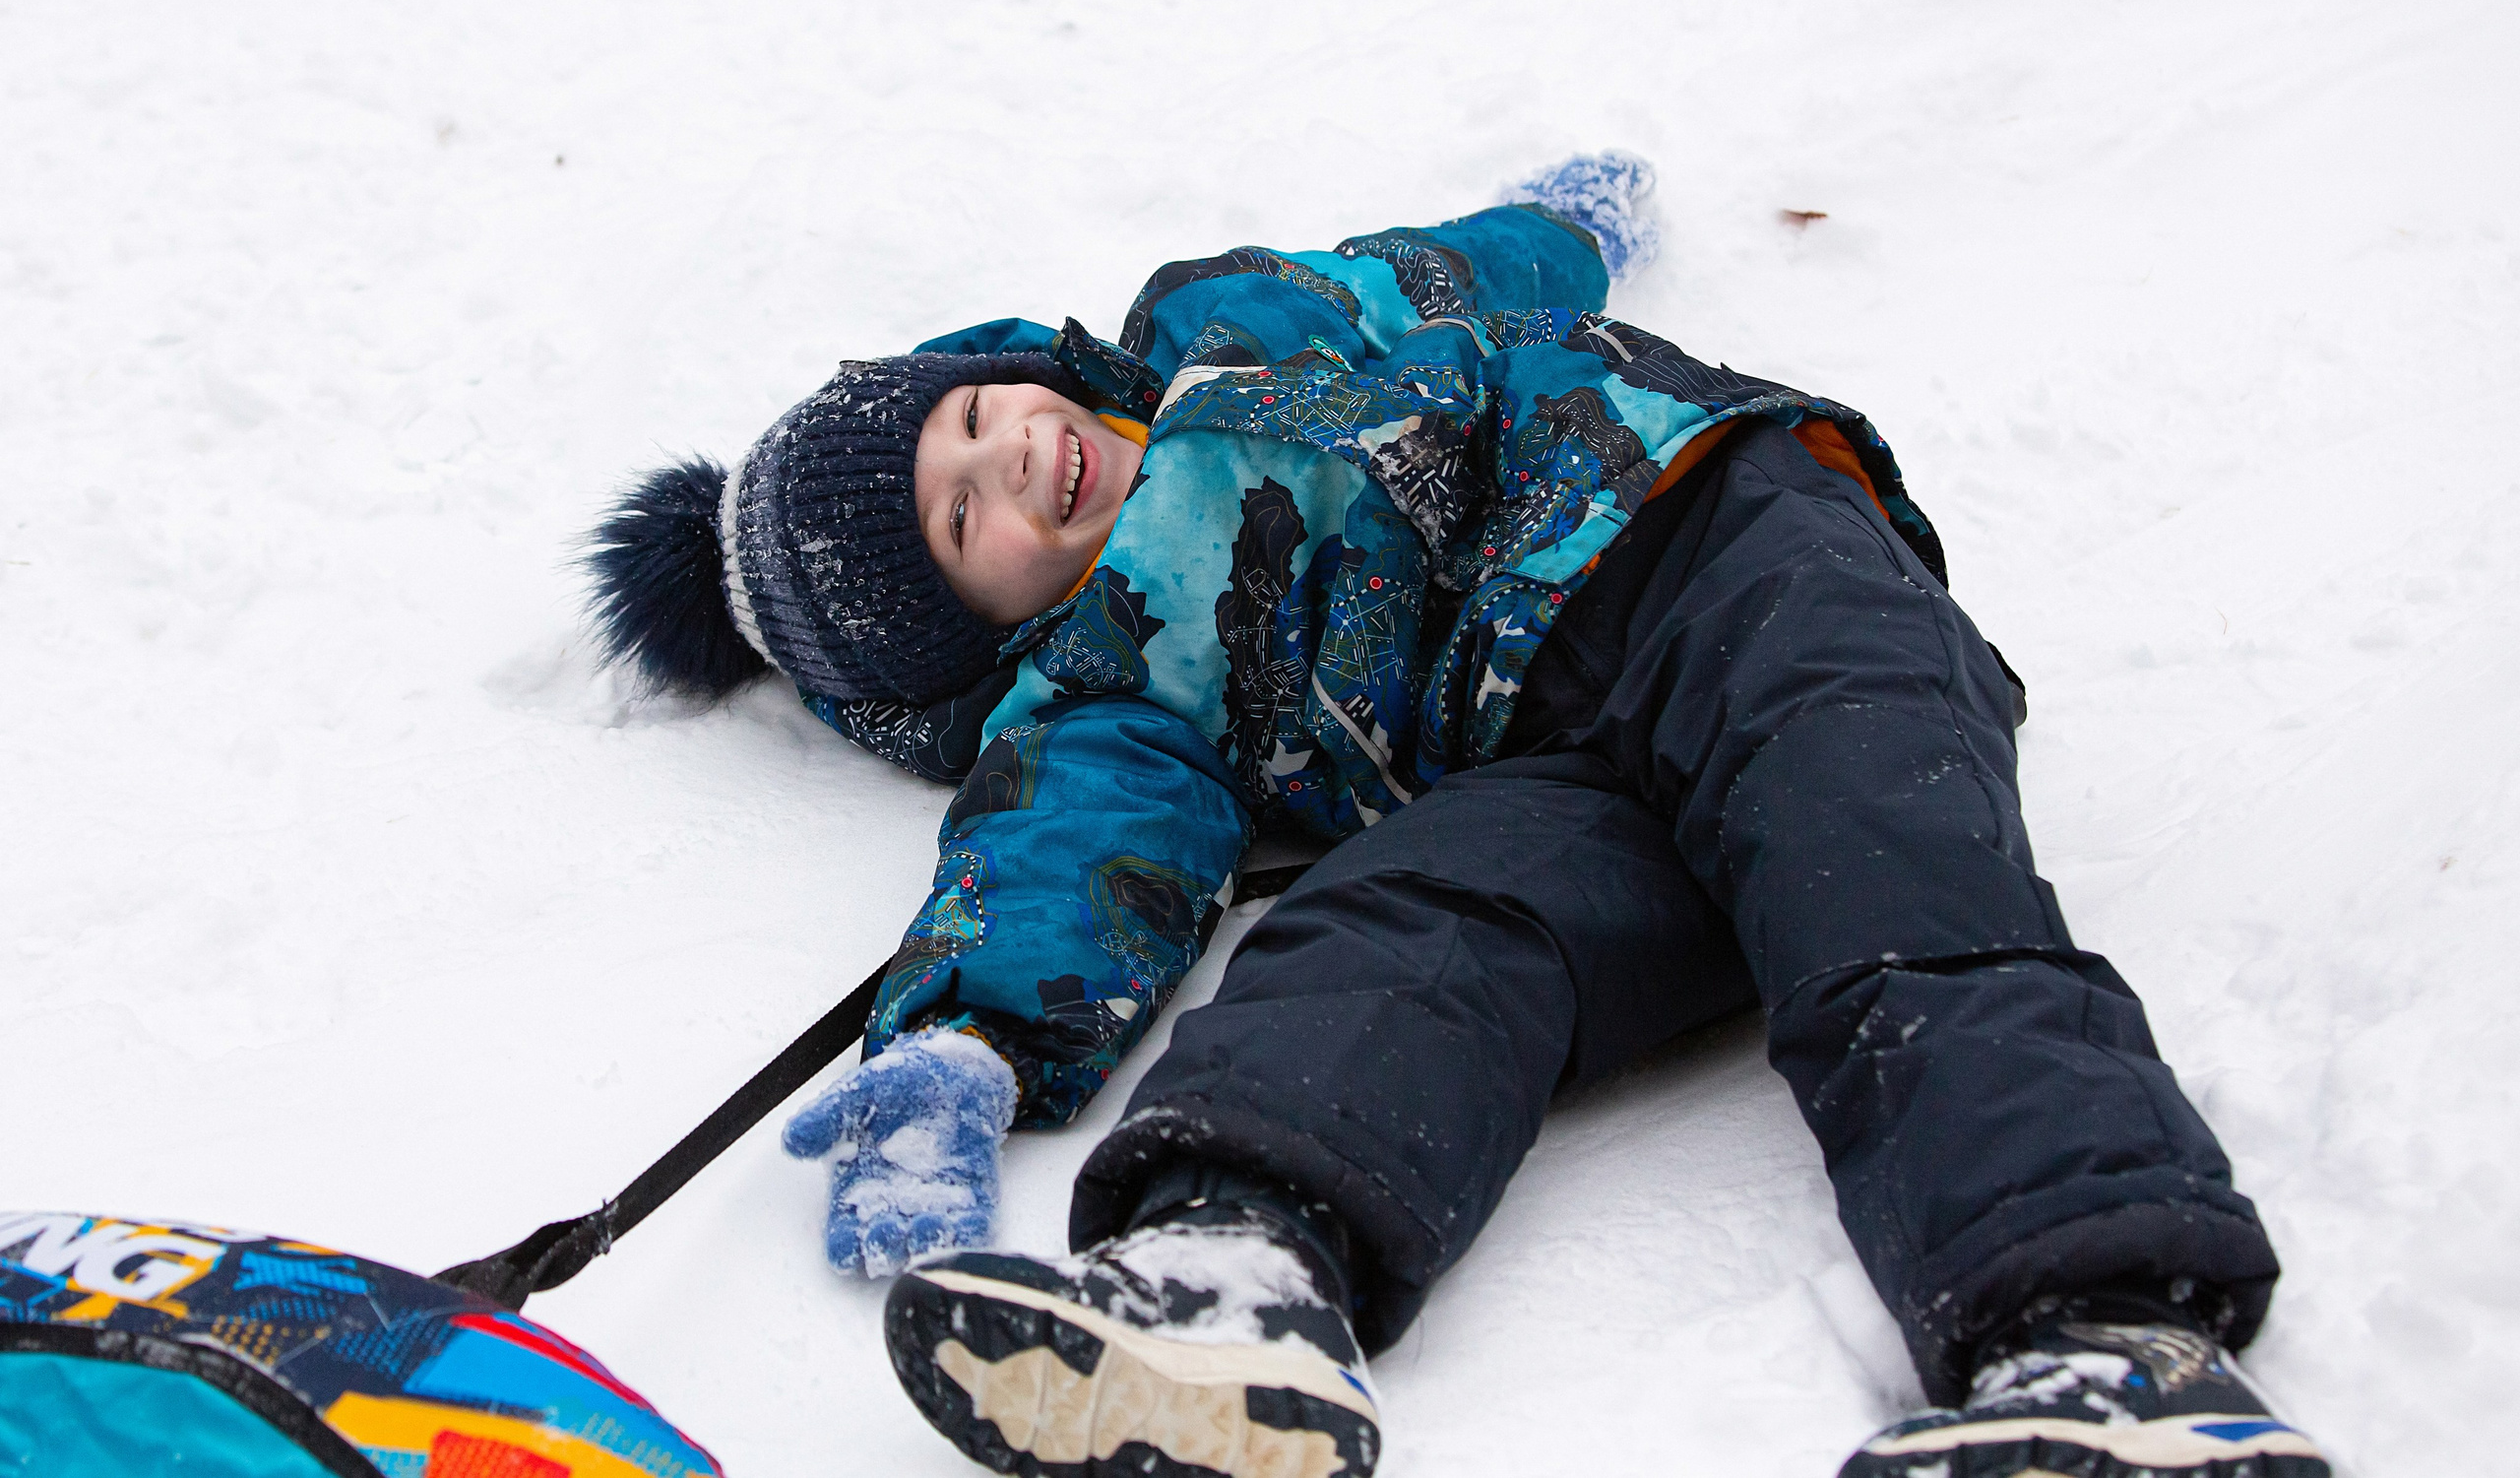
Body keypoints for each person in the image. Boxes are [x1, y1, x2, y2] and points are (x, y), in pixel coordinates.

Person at [587, 159, 2331, 1478]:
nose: (1013, 460)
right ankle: (1231, 1285)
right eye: (966, 522)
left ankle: (2098, 1337)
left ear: (996, 364)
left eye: (973, 418)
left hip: (1715, 544)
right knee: (1401, 923)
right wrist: (962, 1037)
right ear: (991, 633)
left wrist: (1558, 234)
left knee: (1883, 876)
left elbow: (1440, 268)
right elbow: (1062, 844)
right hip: (1544, 772)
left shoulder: (1217, 321)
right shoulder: (1112, 687)